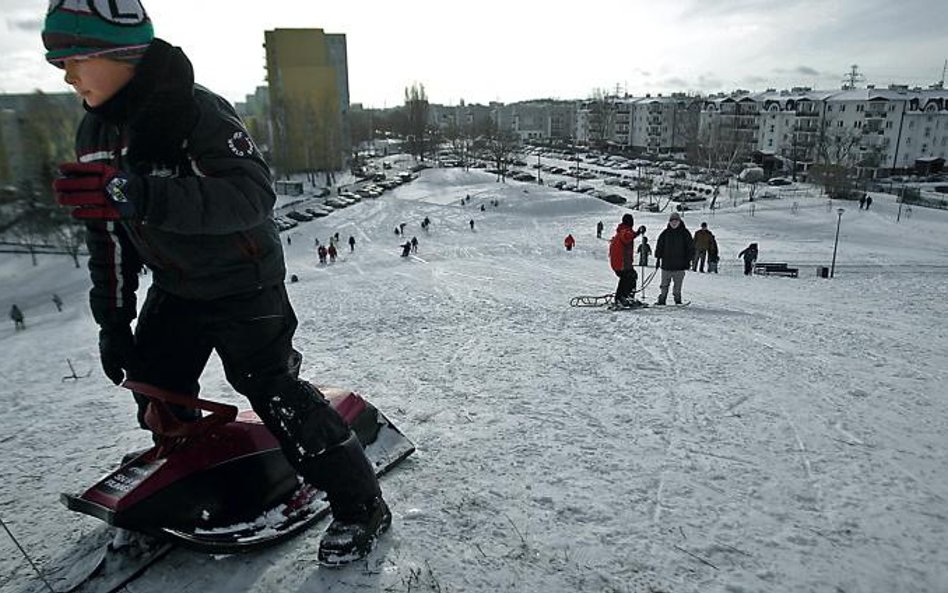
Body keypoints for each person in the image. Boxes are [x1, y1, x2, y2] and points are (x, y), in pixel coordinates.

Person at [44, 2, 388, 566]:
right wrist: (112, 319)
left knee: (275, 394)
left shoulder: (197, 114)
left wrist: (139, 195)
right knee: (154, 383)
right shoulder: (95, 131)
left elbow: (252, 196)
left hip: (242, 280)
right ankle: (193, 476)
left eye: (74, 59)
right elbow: (106, 236)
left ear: (121, 54)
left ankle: (361, 505)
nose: (66, 74)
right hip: (178, 285)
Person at [654, 212, 694, 305]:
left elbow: (690, 248)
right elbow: (659, 246)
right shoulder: (665, 233)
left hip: (680, 265)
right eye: (672, 221)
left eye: (676, 221)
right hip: (666, 265)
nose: (674, 223)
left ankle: (678, 300)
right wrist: (658, 258)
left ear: (679, 221)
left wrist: (688, 260)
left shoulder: (685, 233)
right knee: (664, 285)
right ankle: (662, 300)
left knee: (677, 286)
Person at [608, 214, 642, 308]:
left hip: (618, 263)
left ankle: (621, 298)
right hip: (622, 263)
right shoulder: (625, 231)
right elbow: (628, 237)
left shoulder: (621, 231)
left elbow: (629, 236)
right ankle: (625, 298)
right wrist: (638, 232)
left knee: (626, 278)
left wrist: (636, 233)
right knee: (630, 277)